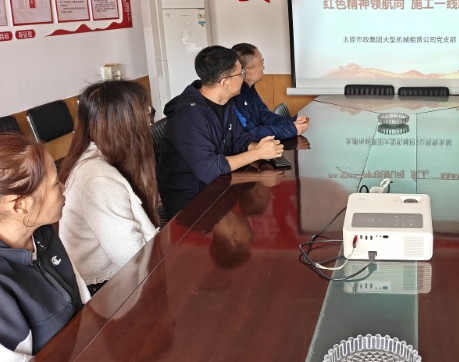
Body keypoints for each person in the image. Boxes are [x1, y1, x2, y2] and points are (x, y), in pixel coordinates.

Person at [157, 45, 284, 220]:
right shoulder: (189, 115)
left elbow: (239, 139)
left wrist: (260, 148)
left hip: (218, 186)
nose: (243, 77)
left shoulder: (224, 101)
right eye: (241, 73)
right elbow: (209, 169)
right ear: (225, 83)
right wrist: (257, 154)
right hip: (192, 204)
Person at [58, 81, 159, 294]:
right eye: (147, 113)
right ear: (125, 124)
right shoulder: (98, 179)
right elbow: (133, 258)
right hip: (106, 290)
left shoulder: (100, 156)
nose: (149, 121)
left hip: (119, 277)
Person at [0, 134, 91, 358]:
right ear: (20, 205)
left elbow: (84, 299)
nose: (63, 188)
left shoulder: (43, 234)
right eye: (54, 184)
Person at [231, 43, 310, 140]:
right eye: (262, 63)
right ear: (248, 70)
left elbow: (265, 116)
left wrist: (292, 121)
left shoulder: (250, 88)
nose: (263, 68)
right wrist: (291, 129)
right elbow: (250, 133)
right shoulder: (235, 94)